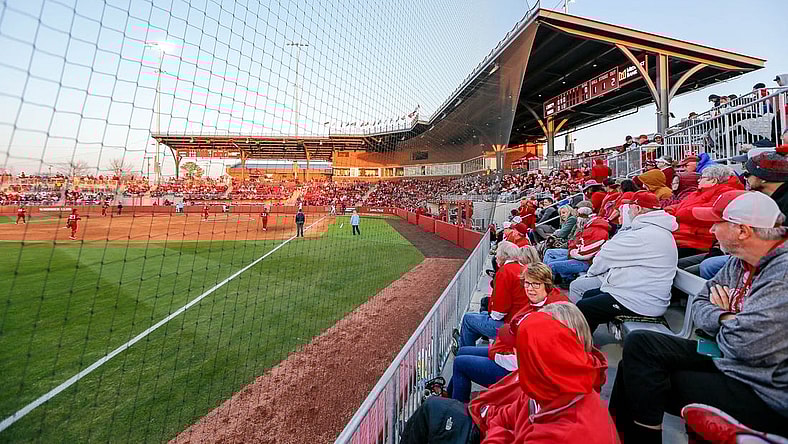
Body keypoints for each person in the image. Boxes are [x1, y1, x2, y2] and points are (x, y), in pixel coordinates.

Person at [608, 190, 788, 443]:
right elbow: (703, 300)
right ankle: (616, 435)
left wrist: (722, 322)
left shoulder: (781, 273)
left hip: (763, 388)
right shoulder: (740, 261)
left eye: (717, 223)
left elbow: (745, 347)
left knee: (646, 377)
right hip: (732, 359)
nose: (712, 230)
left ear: (743, 231)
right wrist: (727, 318)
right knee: (640, 348)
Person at [469, 305, 619, 444]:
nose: (515, 350)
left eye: (523, 346)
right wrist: (493, 420)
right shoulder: (548, 389)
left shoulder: (567, 431)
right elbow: (506, 416)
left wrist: (496, 429)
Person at [447, 264, 567, 402]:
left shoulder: (550, 312)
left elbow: (526, 360)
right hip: (511, 354)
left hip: (519, 372)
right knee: (463, 351)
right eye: (527, 283)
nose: (530, 288)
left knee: (460, 363)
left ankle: (456, 409)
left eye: (536, 284)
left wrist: (496, 354)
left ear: (546, 284)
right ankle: (449, 397)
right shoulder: (539, 302)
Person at [570, 191, 678, 333]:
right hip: (639, 292)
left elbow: (605, 254)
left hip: (642, 301)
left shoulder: (644, 234)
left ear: (638, 209)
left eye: (630, 208)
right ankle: (583, 342)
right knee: (589, 296)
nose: (628, 213)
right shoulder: (655, 230)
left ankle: (579, 347)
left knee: (586, 307)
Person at [455, 241, 527, 349]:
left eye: (498, 253)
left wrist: (490, 317)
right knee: (481, 315)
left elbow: (498, 313)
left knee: (468, 319)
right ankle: (463, 342)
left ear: (504, 256)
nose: (496, 256)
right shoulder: (522, 268)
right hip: (519, 321)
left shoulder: (505, 272)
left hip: (510, 326)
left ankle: (463, 350)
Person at [666, 164, 743, 258]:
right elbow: (675, 207)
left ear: (713, 180)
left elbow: (705, 214)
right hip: (681, 237)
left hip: (696, 242)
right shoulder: (697, 192)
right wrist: (670, 212)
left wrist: (677, 213)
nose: (698, 180)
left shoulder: (725, 193)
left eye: (702, 177)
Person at [742, 145, 788, 219]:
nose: (744, 178)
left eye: (747, 174)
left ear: (762, 177)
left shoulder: (785, 204)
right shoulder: (768, 200)